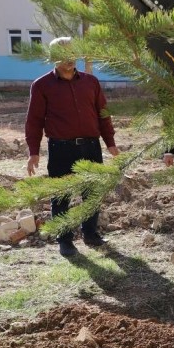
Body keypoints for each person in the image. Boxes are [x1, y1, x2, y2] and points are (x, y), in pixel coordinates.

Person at [25, 36, 120, 257]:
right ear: (53, 58)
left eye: (72, 53)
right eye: (62, 55)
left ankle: (91, 234)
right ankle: (65, 241)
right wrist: (33, 152)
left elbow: (103, 115)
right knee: (61, 196)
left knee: (92, 194)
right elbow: (34, 121)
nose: (69, 59)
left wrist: (111, 143)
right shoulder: (41, 85)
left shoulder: (91, 82)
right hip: (61, 149)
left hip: (91, 147)